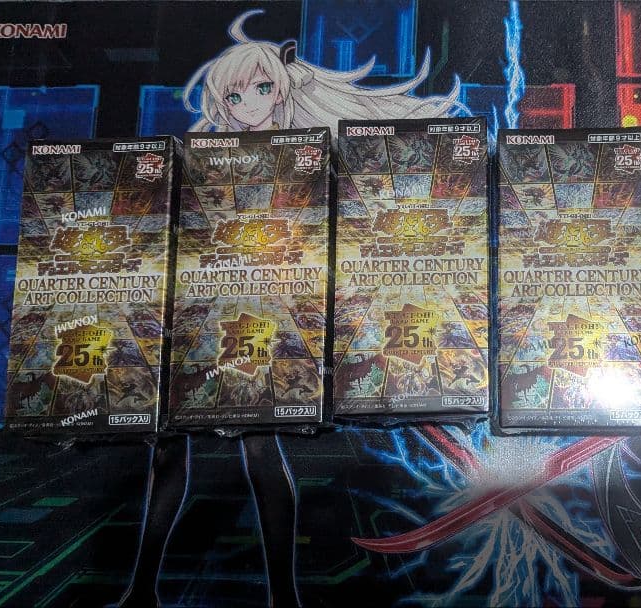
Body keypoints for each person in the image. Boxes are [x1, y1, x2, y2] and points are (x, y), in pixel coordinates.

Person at [116, 10, 465, 608]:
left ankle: (282, 592)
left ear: (281, 90)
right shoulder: (204, 156)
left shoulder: (312, 158)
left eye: (260, 89)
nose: (248, 104)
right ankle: (143, 588)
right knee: (171, 448)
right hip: (201, 309)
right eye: (235, 96)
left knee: (258, 449)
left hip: (273, 313)